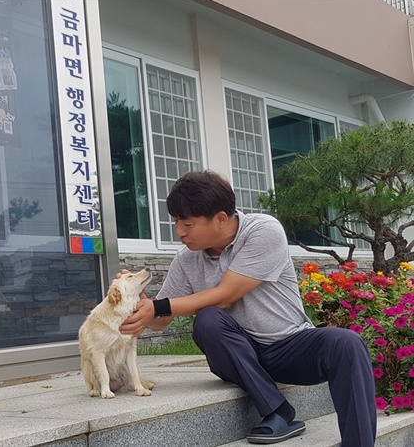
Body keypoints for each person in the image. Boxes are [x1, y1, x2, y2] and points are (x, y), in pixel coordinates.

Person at [120, 170, 376, 446]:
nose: (179, 232)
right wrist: (142, 301)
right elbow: (160, 321)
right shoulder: (187, 259)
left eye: (188, 223)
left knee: (346, 342)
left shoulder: (263, 230)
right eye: (176, 222)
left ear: (220, 218)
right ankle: (279, 412)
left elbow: (225, 295)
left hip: (289, 346)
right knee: (208, 320)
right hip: (237, 354)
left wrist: (156, 307)